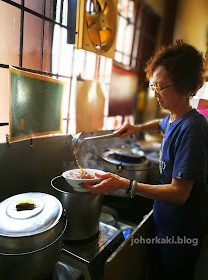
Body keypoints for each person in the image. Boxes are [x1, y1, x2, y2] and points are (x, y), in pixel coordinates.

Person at [87, 41, 208, 280]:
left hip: (180, 229)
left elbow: (179, 192)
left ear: (185, 88)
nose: (155, 93)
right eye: (153, 85)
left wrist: (125, 184)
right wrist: (136, 127)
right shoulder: (175, 116)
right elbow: (162, 124)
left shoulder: (193, 127)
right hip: (164, 218)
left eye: (161, 87)